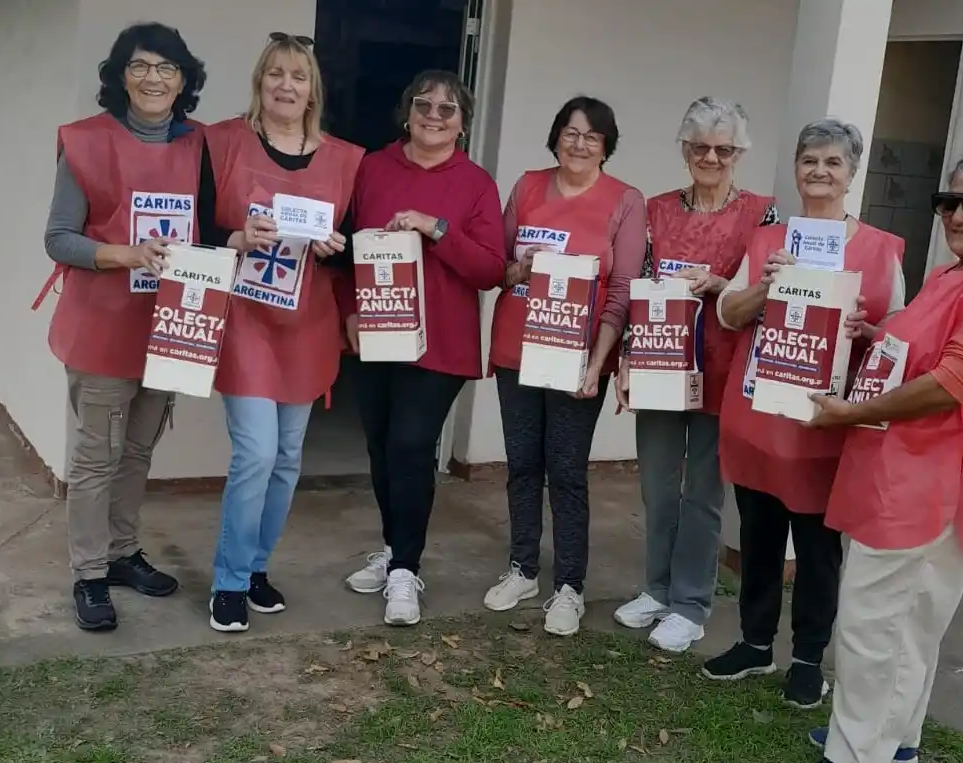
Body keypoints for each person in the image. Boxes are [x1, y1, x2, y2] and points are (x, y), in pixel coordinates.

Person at [792, 153, 963, 763]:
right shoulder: (953, 274)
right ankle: (893, 736)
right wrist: (873, 333)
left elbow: (953, 383)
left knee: (875, 619)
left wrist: (852, 412)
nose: (958, 215)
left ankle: (857, 759)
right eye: (948, 202)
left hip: (932, 478)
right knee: (910, 619)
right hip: (907, 468)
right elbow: (922, 352)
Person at [704, 119, 906, 708]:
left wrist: (866, 329)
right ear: (795, 168)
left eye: (833, 162)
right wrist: (765, 288)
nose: (819, 171)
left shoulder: (880, 249)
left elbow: (898, 335)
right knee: (759, 537)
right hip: (759, 417)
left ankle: (809, 659)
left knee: (817, 550)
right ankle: (754, 643)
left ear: (852, 173)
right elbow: (728, 314)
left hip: (824, 424)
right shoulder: (768, 241)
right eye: (809, 160)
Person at [35, 23, 206, 633]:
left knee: (137, 451)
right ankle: (88, 573)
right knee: (97, 457)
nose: (153, 78)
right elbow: (59, 238)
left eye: (166, 68)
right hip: (103, 331)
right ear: (120, 76)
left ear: (183, 81)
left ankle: (122, 552)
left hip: (170, 328)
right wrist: (125, 254)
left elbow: (215, 227)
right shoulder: (86, 143)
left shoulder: (201, 147)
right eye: (140, 66)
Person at [200, 33, 364, 633]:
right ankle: (228, 581)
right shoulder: (222, 142)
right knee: (257, 453)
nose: (285, 86)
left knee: (288, 458)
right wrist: (236, 239)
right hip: (245, 319)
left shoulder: (346, 160)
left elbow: (354, 248)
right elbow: (195, 226)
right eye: (275, 73)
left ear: (312, 90)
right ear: (259, 81)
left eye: (297, 76)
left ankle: (255, 568)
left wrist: (335, 249)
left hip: (307, 326)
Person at [338, 71, 506, 626]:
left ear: (463, 124)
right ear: (406, 112)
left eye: (448, 109)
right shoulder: (372, 168)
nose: (434, 115)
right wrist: (349, 311)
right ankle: (394, 551)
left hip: (441, 343)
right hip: (376, 333)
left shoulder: (476, 183)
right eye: (423, 104)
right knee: (382, 449)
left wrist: (437, 229)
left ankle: (406, 570)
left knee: (411, 446)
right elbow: (346, 251)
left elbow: (490, 270)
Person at [612, 98, 777, 653]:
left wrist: (721, 285)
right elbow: (637, 287)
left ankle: (690, 603)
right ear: (685, 149)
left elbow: (767, 290)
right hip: (660, 362)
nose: (711, 158)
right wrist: (627, 358)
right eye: (700, 147)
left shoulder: (763, 214)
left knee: (703, 493)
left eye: (723, 150)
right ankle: (657, 589)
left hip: (724, 366)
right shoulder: (656, 210)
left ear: (739, 154)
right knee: (658, 487)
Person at [480, 97, 647, 637]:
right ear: (555, 138)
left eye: (591, 136)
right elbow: (497, 268)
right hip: (517, 349)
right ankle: (523, 569)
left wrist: (598, 364)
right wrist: (518, 268)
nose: (579, 144)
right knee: (522, 464)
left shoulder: (625, 200)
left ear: (606, 146)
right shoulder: (528, 187)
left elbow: (622, 290)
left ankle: (570, 585)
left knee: (567, 471)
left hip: (579, 358)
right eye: (570, 133)